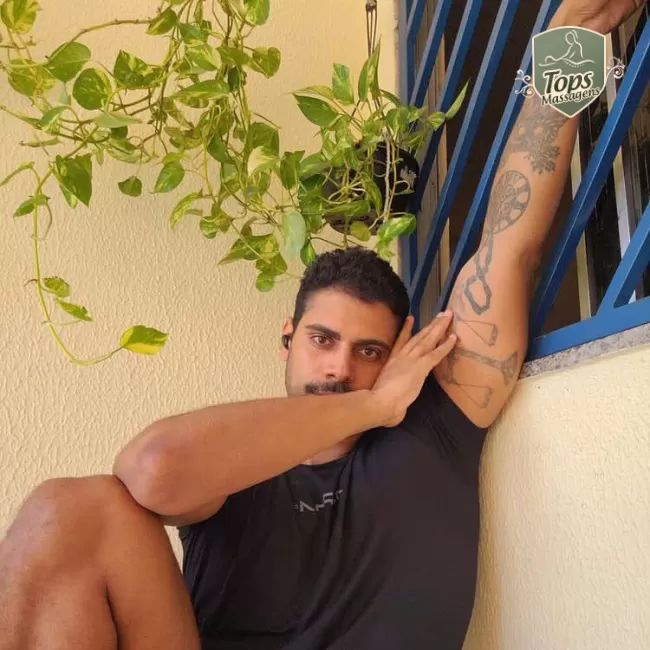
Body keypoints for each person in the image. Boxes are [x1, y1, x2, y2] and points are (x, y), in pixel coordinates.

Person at [0, 1, 645, 648]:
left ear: (401, 351)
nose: (339, 367)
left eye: (369, 350)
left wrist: (575, 39)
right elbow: (152, 471)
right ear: (288, 338)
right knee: (63, 513)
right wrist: (370, 405)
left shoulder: (435, 432)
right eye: (322, 340)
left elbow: (511, 246)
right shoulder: (239, 462)